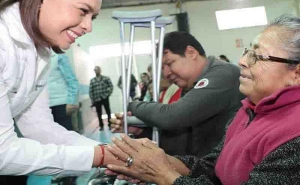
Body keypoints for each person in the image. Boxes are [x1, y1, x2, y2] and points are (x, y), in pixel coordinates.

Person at [106, 14, 300, 185]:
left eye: (258, 56)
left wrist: (162, 174)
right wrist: (157, 160)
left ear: (297, 73)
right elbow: (212, 165)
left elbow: (174, 117)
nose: (242, 61)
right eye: (248, 52)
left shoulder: (294, 135)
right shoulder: (248, 111)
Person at [0, 0, 123, 181]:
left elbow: (38, 127)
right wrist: (99, 156)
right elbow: (2, 152)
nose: (88, 26)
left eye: (92, 17)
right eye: (83, 11)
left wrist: (109, 152)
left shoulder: (40, 54)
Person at [111, 31, 244, 157]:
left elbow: (172, 116)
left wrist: (132, 105)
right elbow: (183, 142)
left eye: (169, 63)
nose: (166, 73)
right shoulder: (191, 86)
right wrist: (141, 131)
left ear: (191, 53)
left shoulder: (222, 75)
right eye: (162, 68)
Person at [48, 52, 79, 131]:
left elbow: (72, 81)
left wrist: (70, 102)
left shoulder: (58, 56)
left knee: (66, 137)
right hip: (45, 106)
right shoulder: (37, 58)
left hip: (61, 105)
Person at [89, 66, 114, 130]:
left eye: (98, 70)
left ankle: (110, 124)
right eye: (95, 70)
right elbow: (91, 91)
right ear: (94, 71)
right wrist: (92, 99)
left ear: (100, 70)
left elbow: (111, 86)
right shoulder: (92, 80)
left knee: (108, 111)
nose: (97, 71)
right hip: (97, 99)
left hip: (105, 98)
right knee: (99, 113)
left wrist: (107, 95)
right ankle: (101, 126)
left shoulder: (106, 78)